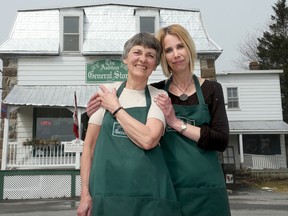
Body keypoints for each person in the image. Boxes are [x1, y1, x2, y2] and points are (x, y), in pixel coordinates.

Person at [86, 24, 231, 216]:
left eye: (180, 47)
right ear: (163, 59)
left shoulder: (212, 89)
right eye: (169, 50)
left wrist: (176, 123)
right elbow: (125, 128)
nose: (175, 54)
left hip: (206, 186)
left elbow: (220, 140)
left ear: (189, 48)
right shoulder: (156, 91)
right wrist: (90, 114)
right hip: (166, 185)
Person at [77, 32, 181, 216]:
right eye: (137, 52)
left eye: (150, 55)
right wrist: (85, 194)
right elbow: (89, 146)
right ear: (125, 59)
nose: (143, 59)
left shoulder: (159, 97)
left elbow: (148, 139)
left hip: (149, 196)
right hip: (106, 194)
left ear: (155, 65)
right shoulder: (107, 92)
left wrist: (116, 108)